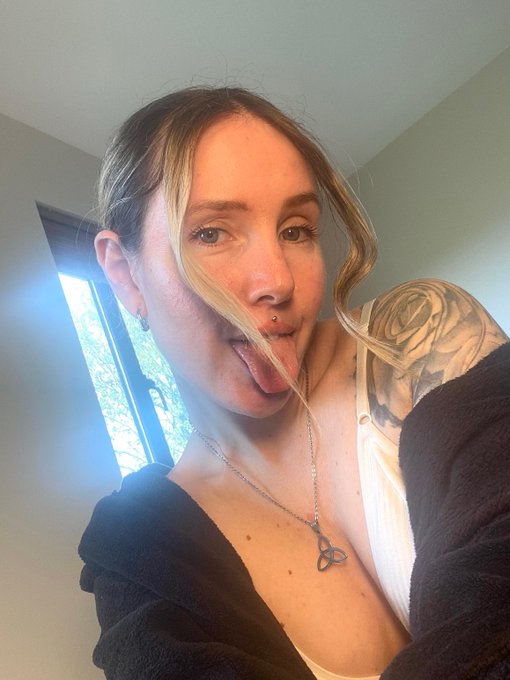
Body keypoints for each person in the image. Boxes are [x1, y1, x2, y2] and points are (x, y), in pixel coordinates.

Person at [78, 87, 510, 680]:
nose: (278, 281)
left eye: (296, 229)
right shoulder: (141, 554)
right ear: (125, 276)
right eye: (212, 233)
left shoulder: (414, 337)